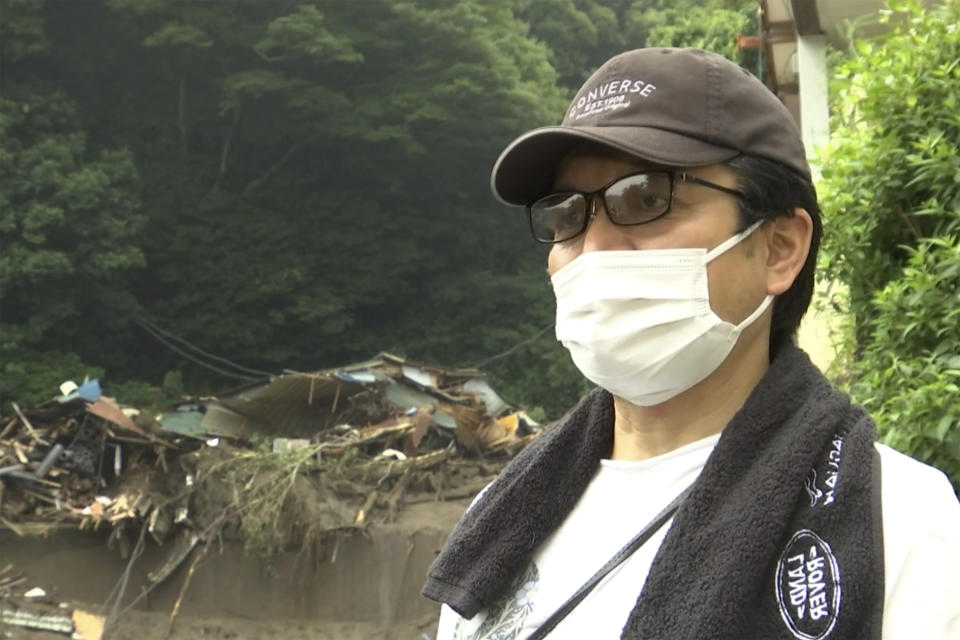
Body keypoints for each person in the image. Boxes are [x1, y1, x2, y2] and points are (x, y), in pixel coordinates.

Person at [421, 48, 960, 640]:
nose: (594, 248)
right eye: (566, 215)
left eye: (647, 198)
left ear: (779, 247)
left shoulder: (901, 523)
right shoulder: (497, 519)